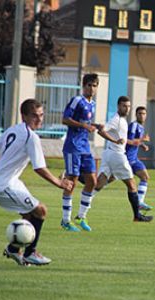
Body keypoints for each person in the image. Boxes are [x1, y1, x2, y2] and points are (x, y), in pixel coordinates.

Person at [0, 99, 74, 266]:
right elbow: (39, 168)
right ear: (24, 116)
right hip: (2, 186)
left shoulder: (14, 129)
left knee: (28, 215)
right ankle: (30, 253)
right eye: (34, 115)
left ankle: (13, 249)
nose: (39, 119)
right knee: (41, 210)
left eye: (41, 115)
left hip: (6, 182)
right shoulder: (31, 137)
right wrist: (59, 183)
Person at [61, 73, 120, 232]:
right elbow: (65, 119)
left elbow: (85, 123)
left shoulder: (91, 104)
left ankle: (81, 216)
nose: (92, 88)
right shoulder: (77, 100)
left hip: (85, 146)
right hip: (73, 145)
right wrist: (84, 126)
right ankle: (66, 220)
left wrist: (95, 125)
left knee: (92, 181)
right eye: (89, 85)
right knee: (72, 182)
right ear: (84, 85)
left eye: (95, 85)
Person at [93, 96, 153, 222]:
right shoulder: (118, 120)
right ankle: (137, 215)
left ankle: (81, 212)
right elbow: (103, 131)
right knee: (132, 184)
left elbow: (124, 139)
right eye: (124, 106)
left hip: (110, 154)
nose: (127, 109)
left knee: (100, 184)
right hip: (119, 155)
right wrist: (116, 140)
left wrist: (141, 143)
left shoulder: (123, 121)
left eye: (129, 106)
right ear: (118, 106)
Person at [126, 106, 153, 211]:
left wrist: (142, 145)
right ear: (136, 115)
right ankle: (92, 190)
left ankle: (140, 202)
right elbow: (129, 140)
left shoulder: (141, 127)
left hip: (134, 159)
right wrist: (142, 139)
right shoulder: (134, 125)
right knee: (108, 179)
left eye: (144, 114)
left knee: (145, 177)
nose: (142, 115)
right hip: (127, 159)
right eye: (140, 113)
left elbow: (136, 141)